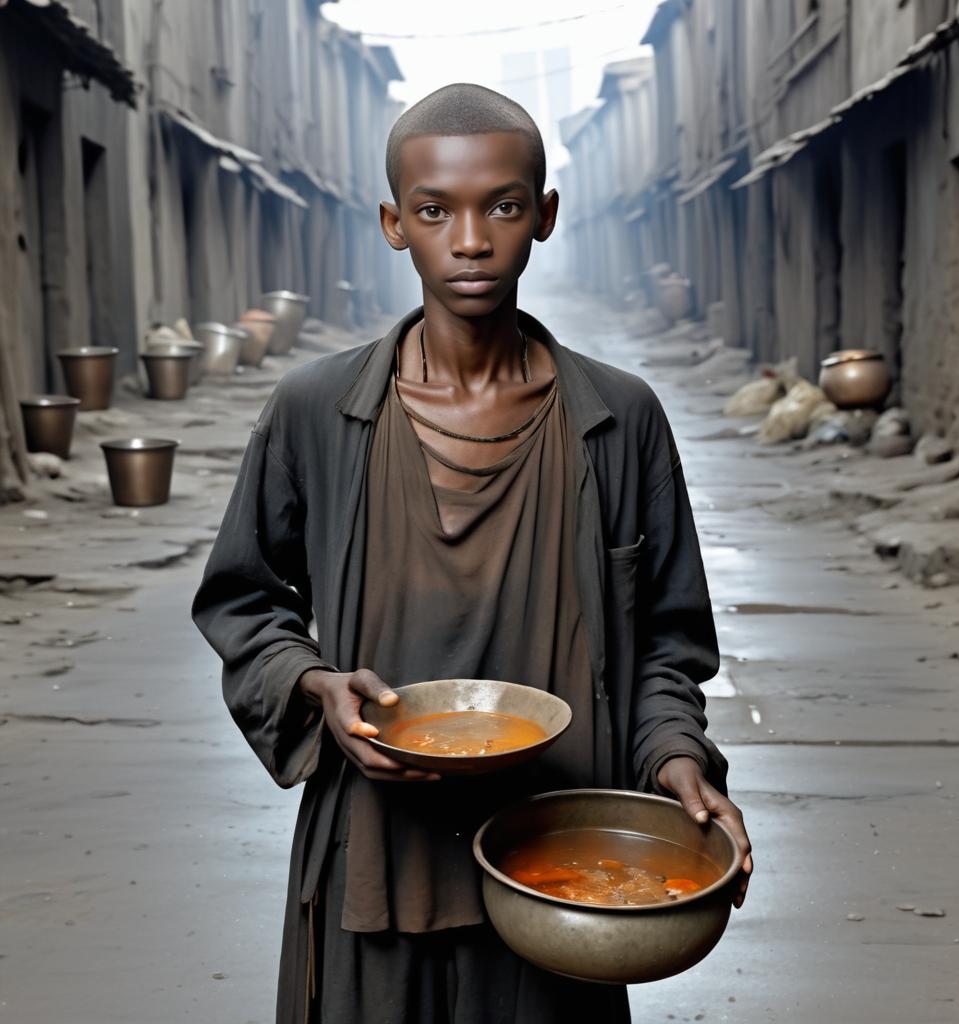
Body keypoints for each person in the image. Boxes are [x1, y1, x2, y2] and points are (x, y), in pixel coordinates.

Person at [192, 82, 752, 1024]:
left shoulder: (618, 421)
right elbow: (244, 601)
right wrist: (314, 688)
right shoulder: (316, 412)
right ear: (391, 223)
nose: (470, 239)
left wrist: (676, 759)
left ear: (545, 215)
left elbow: (667, 640)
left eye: (502, 206)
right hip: (374, 861)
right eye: (433, 210)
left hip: (563, 860)